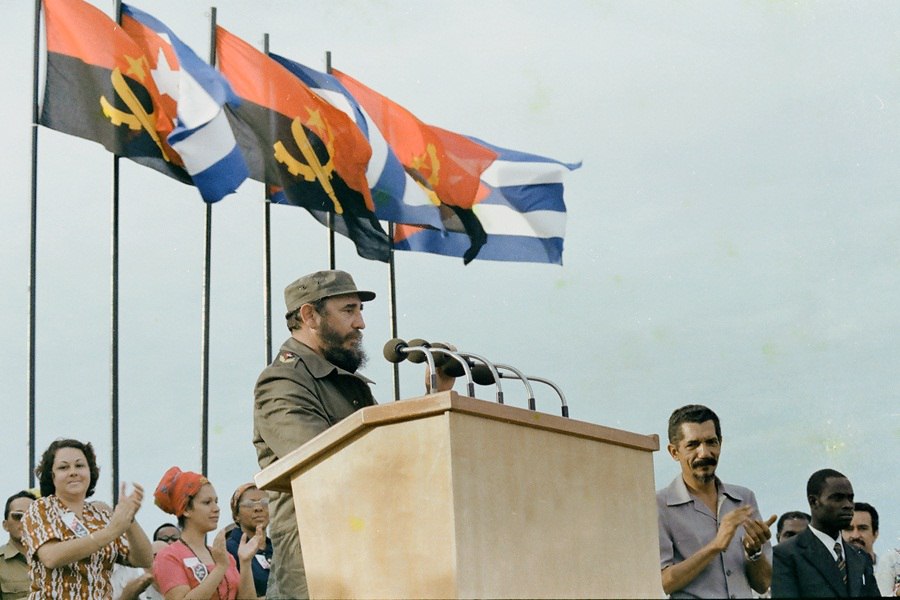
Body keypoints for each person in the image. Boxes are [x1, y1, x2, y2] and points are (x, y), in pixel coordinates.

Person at [253, 270, 453, 599]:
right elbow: (323, 461)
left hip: (360, 556)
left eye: (360, 310)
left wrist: (435, 397)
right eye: (349, 310)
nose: (360, 323)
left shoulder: (342, 381)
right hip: (316, 568)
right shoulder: (283, 382)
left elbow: (382, 450)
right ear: (309, 316)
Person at [657, 404, 776, 598]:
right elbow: (663, 583)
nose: (704, 453)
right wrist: (716, 545)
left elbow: (763, 585)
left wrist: (754, 552)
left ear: (720, 444)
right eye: (692, 445)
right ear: (674, 452)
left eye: (711, 442)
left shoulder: (744, 498)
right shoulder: (659, 505)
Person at [20, 438, 153, 598]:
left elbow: (144, 560)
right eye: (63, 467)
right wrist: (110, 532)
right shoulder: (41, 508)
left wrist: (129, 518)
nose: (73, 472)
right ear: (52, 476)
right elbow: (51, 557)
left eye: (79, 465)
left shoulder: (101, 514)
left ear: (90, 471)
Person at [152, 466, 262, 600]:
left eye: (216, 502)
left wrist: (245, 562)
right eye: (207, 502)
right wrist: (220, 568)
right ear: (186, 510)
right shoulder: (169, 556)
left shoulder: (224, 556)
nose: (216, 508)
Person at [771, 468, 880, 597]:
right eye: (838, 498)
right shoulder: (785, 554)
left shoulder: (860, 556)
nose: (848, 505)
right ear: (813, 502)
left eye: (850, 499)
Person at [226, 484, 273, 598]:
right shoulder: (229, 549)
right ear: (236, 515)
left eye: (265, 502)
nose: (258, 508)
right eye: (249, 504)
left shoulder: (277, 547)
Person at [0, 490, 36, 599]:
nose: (25, 521)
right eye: (18, 516)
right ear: (5, 525)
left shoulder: (56, 559)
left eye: (32, 515)